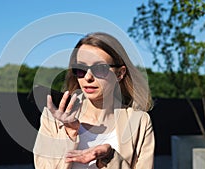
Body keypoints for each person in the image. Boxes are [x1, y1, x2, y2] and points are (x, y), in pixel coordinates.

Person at [33, 32, 155, 169]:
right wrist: (68, 134)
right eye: (80, 69)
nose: (88, 77)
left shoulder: (139, 122)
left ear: (120, 73)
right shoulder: (53, 118)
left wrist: (110, 157)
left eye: (100, 69)